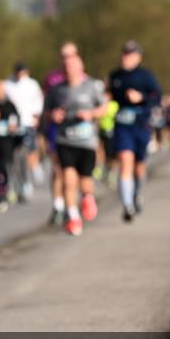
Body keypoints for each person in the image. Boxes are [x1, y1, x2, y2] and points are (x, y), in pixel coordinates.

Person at [45, 55, 107, 235]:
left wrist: (91, 114)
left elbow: (104, 107)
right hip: (65, 141)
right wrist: (53, 116)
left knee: (85, 182)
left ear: (81, 67)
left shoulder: (92, 86)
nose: (69, 69)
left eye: (72, 66)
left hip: (87, 143)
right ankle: (73, 217)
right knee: (68, 178)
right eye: (66, 66)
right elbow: (46, 112)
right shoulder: (56, 90)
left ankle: (88, 198)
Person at [108, 40, 162, 222]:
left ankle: (137, 194)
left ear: (138, 57)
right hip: (122, 125)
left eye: (130, 54)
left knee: (139, 165)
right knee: (125, 161)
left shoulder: (146, 76)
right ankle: (127, 205)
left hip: (141, 123)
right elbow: (108, 97)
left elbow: (157, 97)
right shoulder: (115, 76)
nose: (126, 58)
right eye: (124, 54)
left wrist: (142, 97)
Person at [43, 42, 80, 225]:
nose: (67, 59)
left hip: (78, 132)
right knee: (58, 168)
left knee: (71, 172)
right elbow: (45, 105)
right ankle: (58, 205)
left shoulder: (84, 77)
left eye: (70, 55)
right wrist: (50, 115)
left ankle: (70, 203)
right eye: (63, 55)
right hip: (55, 129)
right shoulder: (51, 78)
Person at [3, 61, 44, 201]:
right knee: (15, 156)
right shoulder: (8, 84)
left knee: (27, 151)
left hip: (27, 122)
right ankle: (19, 183)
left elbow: (38, 101)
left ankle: (29, 177)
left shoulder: (32, 84)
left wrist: (36, 115)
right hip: (13, 125)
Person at [0, 79, 20, 214]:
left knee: (2, 168)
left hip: (6, 143)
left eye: (0, 89)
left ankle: (4, 194)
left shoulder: (10, 105)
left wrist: (12, 127)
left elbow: (15, 122)